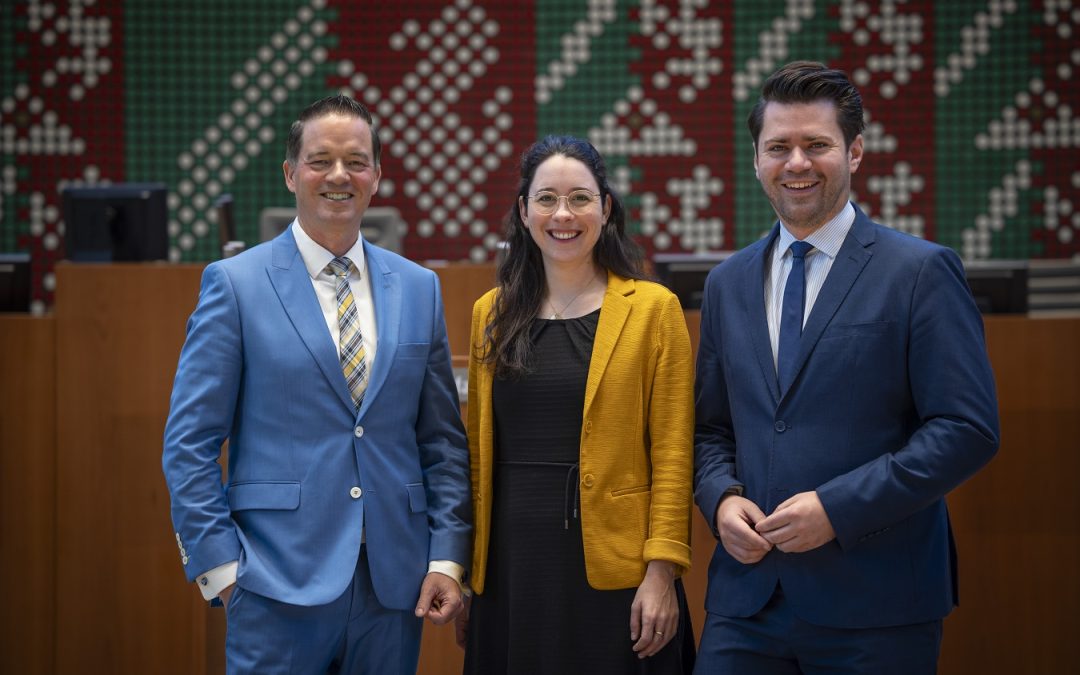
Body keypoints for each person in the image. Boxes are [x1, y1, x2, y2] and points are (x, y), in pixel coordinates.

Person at [693, 61, 1000, 674]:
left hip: (878, 602)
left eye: (817, 145)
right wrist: (721, 500)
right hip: (746, 602)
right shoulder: (726, 283)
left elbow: (966, 429)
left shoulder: (919, 272)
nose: (797, 163)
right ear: (756, 159)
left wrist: (838, 508)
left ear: (855, 152)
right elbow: (710, 430)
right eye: (778, 147)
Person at [162, 94, 471, 674]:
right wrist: (223, 570)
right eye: (319, 160)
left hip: (393, 587)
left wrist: (448, 558)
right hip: (273, 584)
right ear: (290, 174)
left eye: (356, 161)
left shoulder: (419, 287)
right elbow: (189, 444)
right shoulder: (234, 285)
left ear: (376, 177)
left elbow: (442, 444)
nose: (338, 175)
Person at [456, 135, 696, 673]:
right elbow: (477, 458)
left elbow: (675, 453)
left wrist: (662, 573)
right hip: (512, 570)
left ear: (606, 208)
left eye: (580, 198)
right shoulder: (489, 314)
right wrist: (471, 577)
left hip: (618, 573)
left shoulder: (654, 309)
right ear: (523, 212)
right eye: (546, 199)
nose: (563, 214)